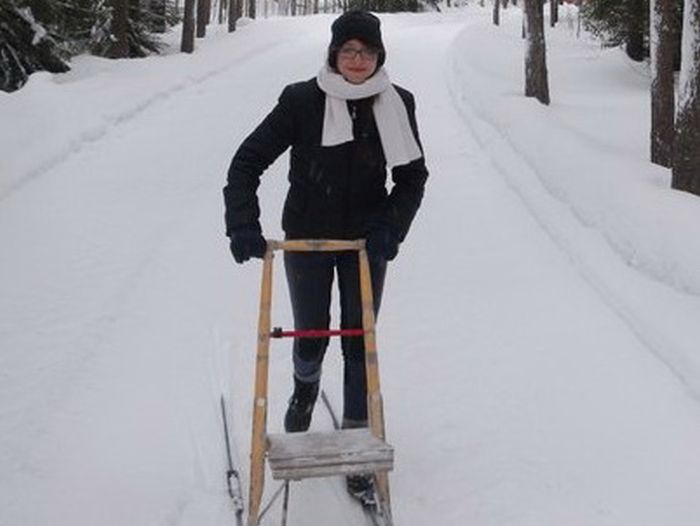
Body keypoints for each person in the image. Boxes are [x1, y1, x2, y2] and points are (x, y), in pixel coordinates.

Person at [223, 9, 428, 499]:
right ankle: (305, 385)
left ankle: (357, 440)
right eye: (348, 50)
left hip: (365, 242)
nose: (358, 60)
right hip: (307, 238)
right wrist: (243, 224)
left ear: (380, 56)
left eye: (367, 51)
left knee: (360, 339)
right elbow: (247, 161)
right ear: (334, 54)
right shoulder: (301, 100)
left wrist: (389, 227)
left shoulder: (398, 102)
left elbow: (413, 176)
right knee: (311, 330)